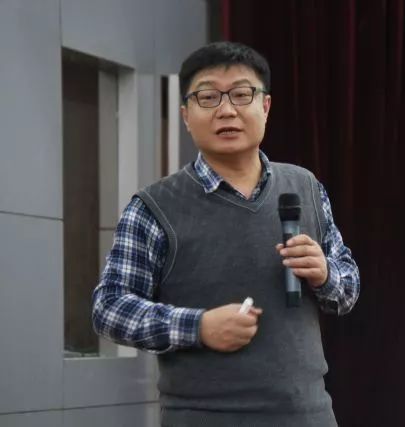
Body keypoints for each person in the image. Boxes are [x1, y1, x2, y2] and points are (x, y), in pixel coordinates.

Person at [92, 41, 360, 427]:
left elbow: (347, 291)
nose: (227, 110)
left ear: (265, 106)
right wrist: (198, 327)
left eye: (241, 94)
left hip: (307, 414)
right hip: (203, 418)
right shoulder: (154, 206)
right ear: (186, 115)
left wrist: (325, 274)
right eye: (208, 97)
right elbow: (110, 309)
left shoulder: (305, 187)